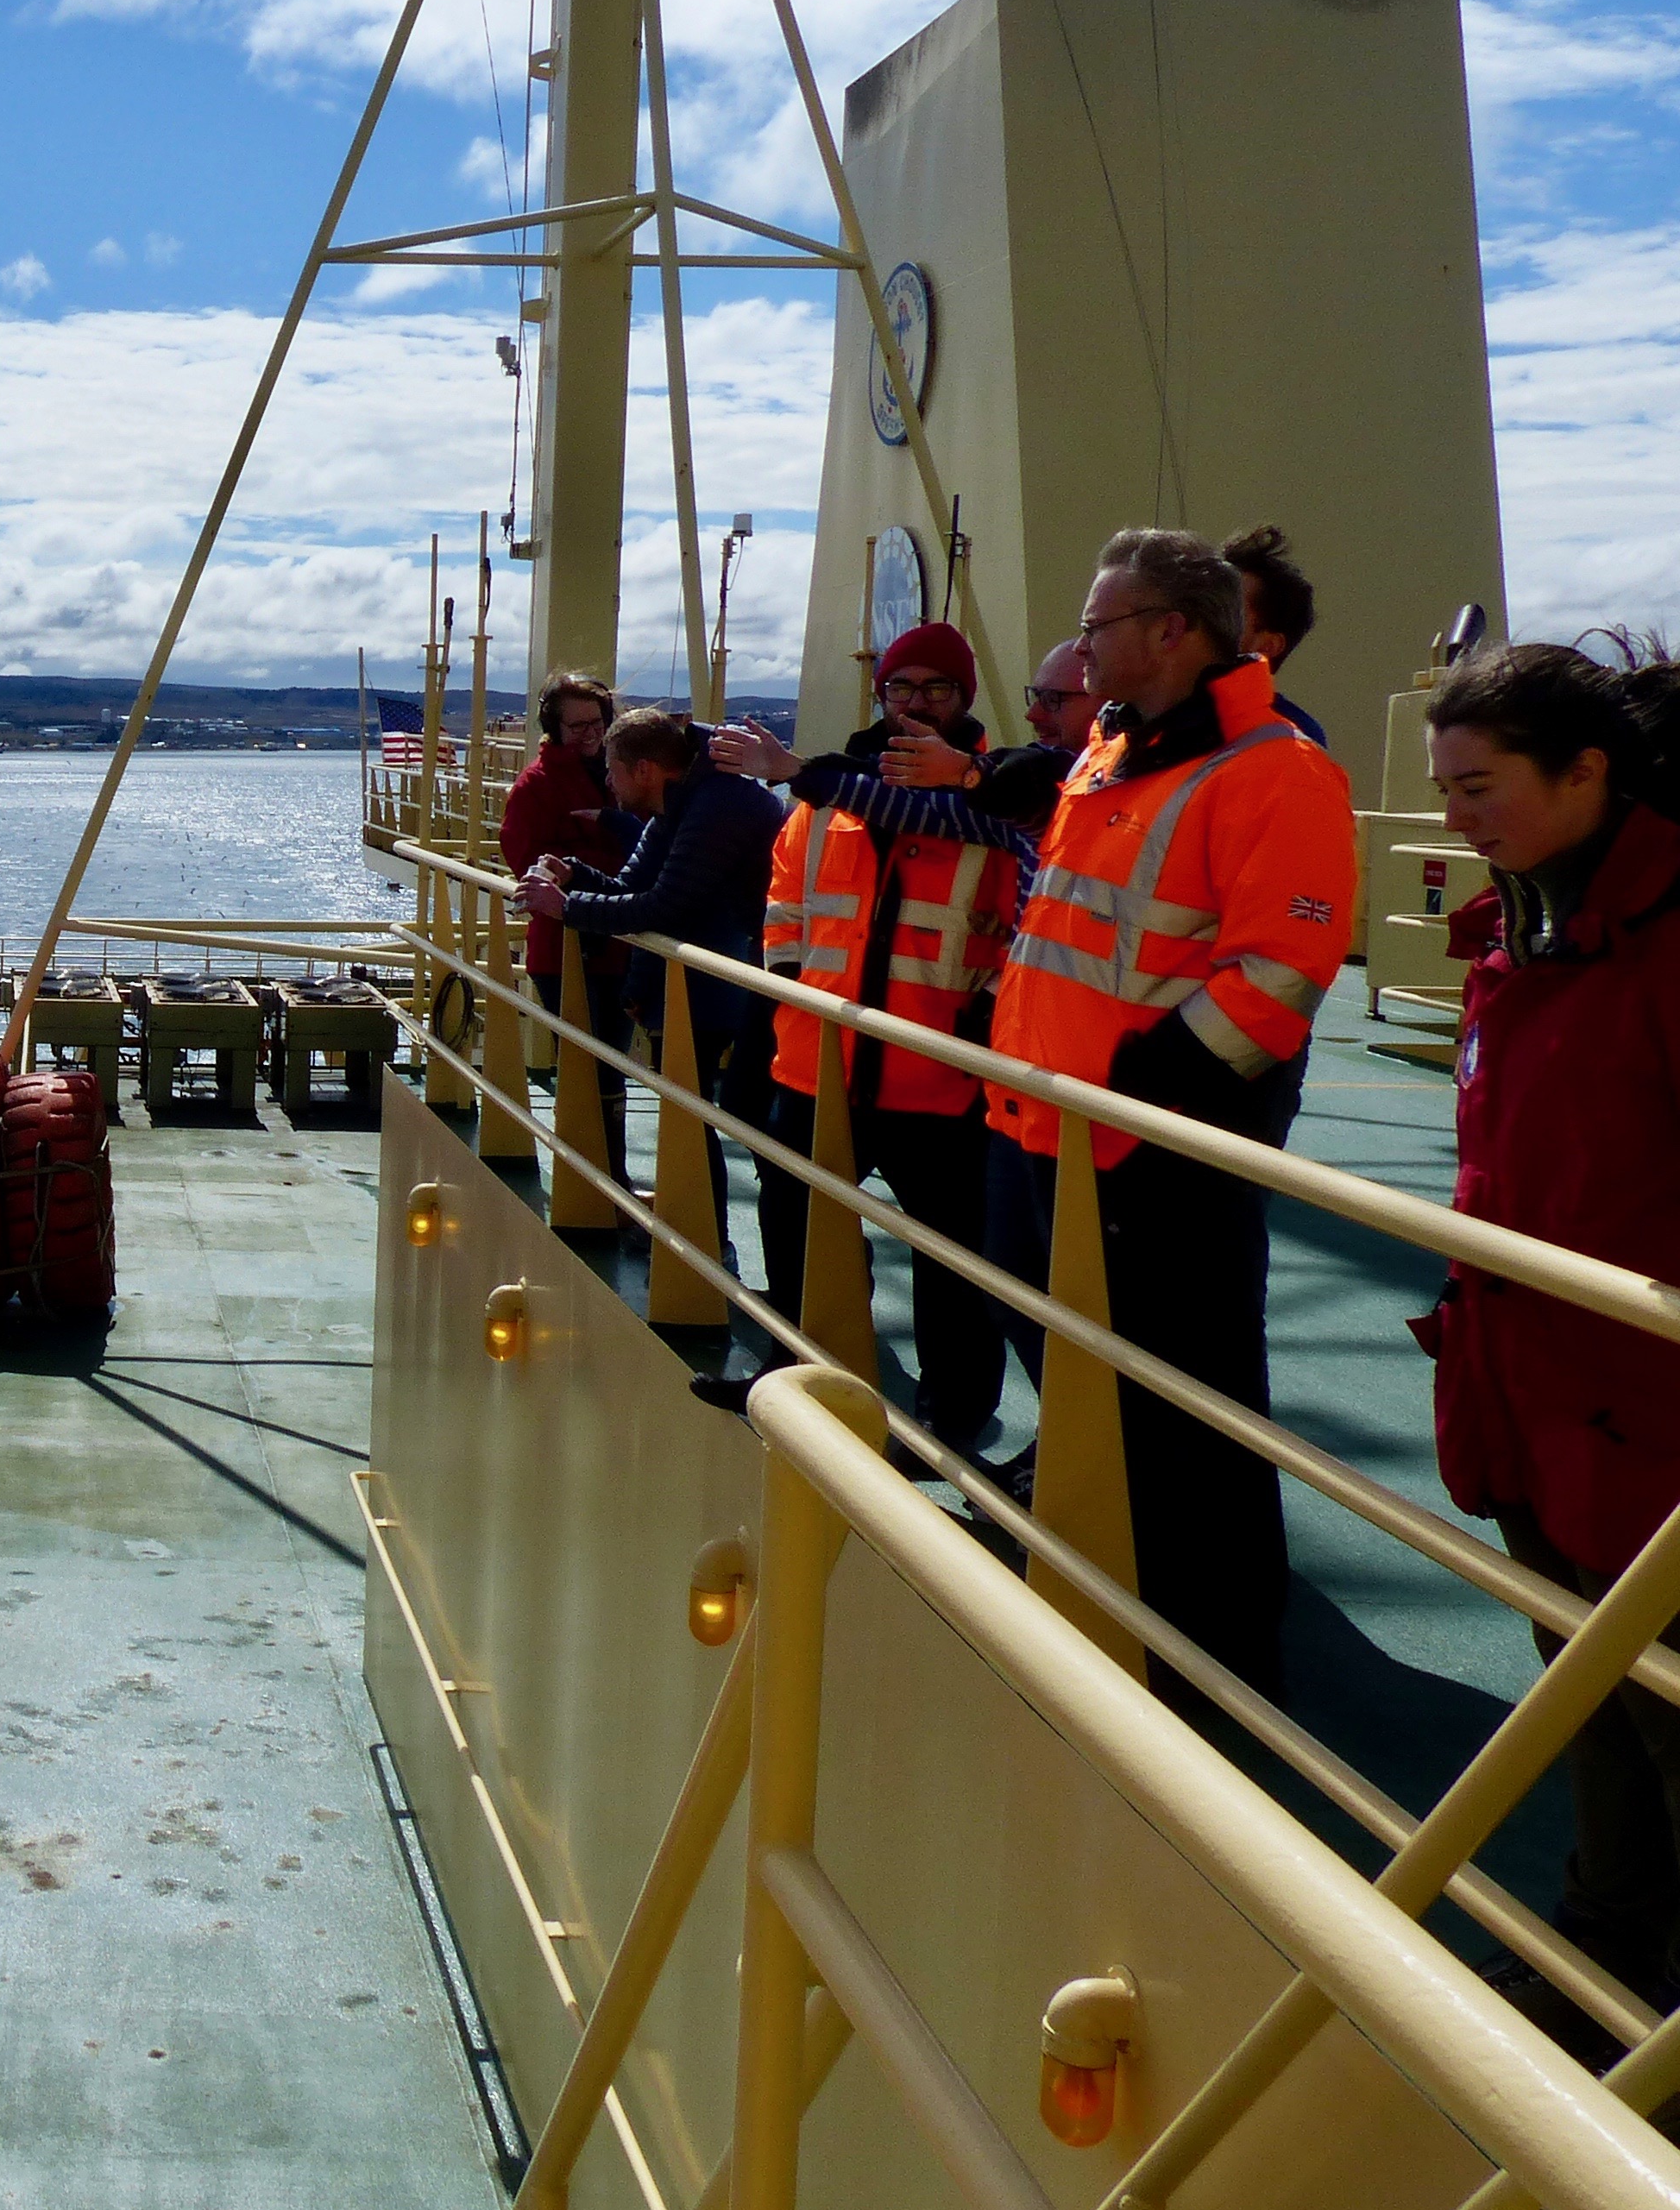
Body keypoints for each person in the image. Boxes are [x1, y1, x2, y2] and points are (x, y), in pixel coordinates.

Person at [980, 528, 1359, 1702]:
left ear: (1172, 632)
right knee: (1096, 1387)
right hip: (1048, 1130)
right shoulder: (1110, 750)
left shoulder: (1275, 769)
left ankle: (1216, 1662)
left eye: (1100, 625)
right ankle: (1114, 1605)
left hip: (1153, 1153)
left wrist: (1137, 1100)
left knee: (1193, 1408)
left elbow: (1278, 977)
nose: (1083, 647)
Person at [1413, 640, 1680, 2030]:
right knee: (1587, 1694)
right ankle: (1604, 1949)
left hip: (1645, 1412)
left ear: (1589, 772)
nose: (1459, 817)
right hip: (1529, 1388)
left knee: (1667, 1715)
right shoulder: (1520, 928)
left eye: (1481, 786)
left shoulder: (1660, 937)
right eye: (1446, 790)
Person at [704, 624, 1023, 1445]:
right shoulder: (826, 800)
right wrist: (784, 1007)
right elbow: (785, 908)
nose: (915, 704)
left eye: (936, 689)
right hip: (817, 1065)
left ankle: (953, 1417)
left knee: (953, 1260)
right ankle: (796, 1378)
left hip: (941, 1070)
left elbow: (1022, 924)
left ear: (966, 699)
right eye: (900, 688)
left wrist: (980, 1018)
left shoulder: (1000, 796)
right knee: (797, 1227)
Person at [519, 705, 783, 1259]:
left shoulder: (719, 804)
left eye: (612, 771)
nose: (608, 783)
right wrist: (575, 874)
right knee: (701, 1110)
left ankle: (713, 1246)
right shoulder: (683, 802)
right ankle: (704, 1236)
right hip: (720, 974)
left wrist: (567, 907)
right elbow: (630, 886)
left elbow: (662, 904)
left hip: (746, 974)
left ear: (645, 769)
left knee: (723, 1116)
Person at [499, 672, 633, 1137]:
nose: (591, 734)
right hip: (565, 951)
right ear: (553, 728)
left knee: (612, 1066)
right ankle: (592, 1178)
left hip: (623, 944)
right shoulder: (535, 787)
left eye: (597, 722)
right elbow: (525, 862)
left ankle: (608, 1174)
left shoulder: (622, 775)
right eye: (577, 726)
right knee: (585, 1069)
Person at [1228, 525, 1326, 748]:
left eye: (1227, 610)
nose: (1202, 616)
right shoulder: (1147, 718)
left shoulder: (1294, 739)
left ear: (1268, 646)